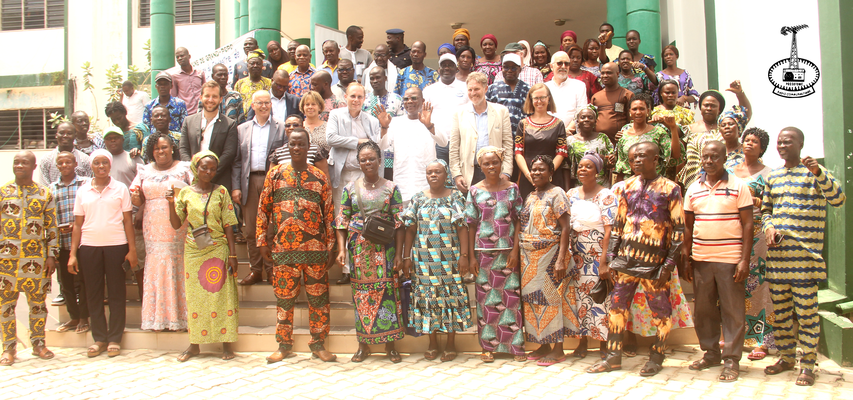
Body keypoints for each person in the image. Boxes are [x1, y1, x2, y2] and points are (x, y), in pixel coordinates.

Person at [587, 141, 684, 377]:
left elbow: (679, 232)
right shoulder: (625, 187)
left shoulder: (670, 189)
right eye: (634, 157)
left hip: (655, 263)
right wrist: (610, 259)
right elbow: (619, 226)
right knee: (617, 309)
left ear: (656, 160)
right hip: (626, 261)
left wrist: (668, 266)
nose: (637, 160)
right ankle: (613, 357)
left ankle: (657, 356)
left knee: (660, 311)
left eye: (643, 156)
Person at [762, 127, 845, 386]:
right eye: (779, 142)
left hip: (805, 261)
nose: (782, 145)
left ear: (800, 144)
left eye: (788, 142)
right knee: (782, 313)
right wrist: (769, 228)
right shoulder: (773, 177)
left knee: (807, 314)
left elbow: (838, 198)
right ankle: (786, 357)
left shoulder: (816, 175)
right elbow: (766, 211)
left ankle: (808, 364)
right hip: (778, 260)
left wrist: (819, 172)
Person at [257, 130, 338, 363]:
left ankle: (319, 344)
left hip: (315, 251)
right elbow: (263, 209)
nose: (296, 148)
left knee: (319, 300)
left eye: (301, 144)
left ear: (308, 146)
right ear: (288, 146)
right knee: (284, 299)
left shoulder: (319, 177)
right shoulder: (275, 175)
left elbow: (329, 213)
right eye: (293, 144)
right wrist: (262, 240)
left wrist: (331, 245)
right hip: (283, 250)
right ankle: (283, 345)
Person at [683, 141, 753, 382]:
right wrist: (688, 257)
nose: (709, 161)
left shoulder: (738, 186)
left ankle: (732, 360)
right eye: (705, 157)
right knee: (703, 310)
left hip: (729, 259)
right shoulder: (693, 189)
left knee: (732, 311)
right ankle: (711, 352)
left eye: (715, 157)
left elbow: (748, 224)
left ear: (724, 158)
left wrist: (744, 260)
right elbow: (688, 227)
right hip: (702, 258)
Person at [335, 141, 405, 363]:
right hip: (359, 251)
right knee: (361, 296)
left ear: (379, 160)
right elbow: (341, 221)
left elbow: (400, 223)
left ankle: (390, 346)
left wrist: (399, 254)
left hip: (385, 249)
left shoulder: (391, 188)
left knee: (388, 294)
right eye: (363, 159)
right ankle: (362, 345)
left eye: (372, 158)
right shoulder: (349, 188)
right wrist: (341, 250)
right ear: (358, 162)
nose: (367, 162)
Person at [168, 151, 239, 362]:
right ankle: (194, 345)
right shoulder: (185, 193)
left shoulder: (222, 192)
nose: (208, 172)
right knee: (196, 299)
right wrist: (168, 203)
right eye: (204, 168)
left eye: (212, 169)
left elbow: (228, 225)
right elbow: (175, 224)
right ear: (195, 168)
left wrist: (233, 255)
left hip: (218, 249)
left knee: (222, 297)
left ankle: (226, 343)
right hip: (194, 251)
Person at [400, 159, 472, 362]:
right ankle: (432, 342)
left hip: (449, 259)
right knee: (428, 298)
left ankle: (450, 343)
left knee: (450, 297)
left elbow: (462, 227)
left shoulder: (455, 196)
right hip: (423, 260)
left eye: (438, 172)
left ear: (446, 174)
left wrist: (464, 256)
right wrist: (407, 257)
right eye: (430, 172)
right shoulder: (418, 198)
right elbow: (410, 229)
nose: (433, 175)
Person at [69, 149, 137, 358]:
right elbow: (78, 225)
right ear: (91, 166)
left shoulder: (120, 188)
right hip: (89, 247)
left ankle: (115, 337)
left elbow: (127, 220)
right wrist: (72, 254)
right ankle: (99, 338)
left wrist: (132, 249)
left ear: (109, 165)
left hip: (117, 246)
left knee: (117, 292)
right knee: (93, 293)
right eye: (96, 163)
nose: (101, 167)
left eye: (104, 163)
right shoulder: (83, 191)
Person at [464, 146, 525, 362]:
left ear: (501, 163)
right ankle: (488, 347)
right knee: (486, 300)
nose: (491, 166)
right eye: (486, 163)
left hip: (508, 252)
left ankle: (515, 346)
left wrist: (516, 251)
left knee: (511, 300)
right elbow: (471, 224)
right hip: (483, 253)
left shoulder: (512, 188)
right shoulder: (474, 191)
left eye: (495, 162)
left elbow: (519, 221)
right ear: (480, 167)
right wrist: (471, 256)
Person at [0, 151, 58, 366]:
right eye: (16, 162)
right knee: (5, 306)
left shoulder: (44, 194)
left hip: (36, 260)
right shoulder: (3, 192)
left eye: (24, 162)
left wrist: (52, 255)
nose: (19, 165)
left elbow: (52, 227)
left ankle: (38, 344)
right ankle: (8, 348)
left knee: (38, 305)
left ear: (34, 167)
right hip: (7, 261)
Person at [131, 132, 192, 332]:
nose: (160, 151)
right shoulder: (143, 171)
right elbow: (138, 200)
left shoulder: (184, 168)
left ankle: (180, 318)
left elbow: (195, 193)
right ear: (151, 151)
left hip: (177, 225)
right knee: (156, 266)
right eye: (156, 148)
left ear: (172, 147)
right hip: (152, 226)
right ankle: (157, 319)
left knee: (177, 266)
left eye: (164, 147)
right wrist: (135, 197)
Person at [326, 83, 385, 284]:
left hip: (364, 176)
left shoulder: (371, 120)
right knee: (342, 218)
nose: (356, 100)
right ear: (345, 97)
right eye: (352, 96)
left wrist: (364, 142)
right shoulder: (336, 115)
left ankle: (366, 264)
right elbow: (331, 139)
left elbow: (376, 145)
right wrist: (360, 142)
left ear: (364, 98)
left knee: (365, 218)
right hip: (342, 175)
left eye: (360, 97)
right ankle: (346, 269)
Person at [518, 155, 572, 366]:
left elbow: (566, 227)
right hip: (529, 258)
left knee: (551, 300)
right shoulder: (531, 196)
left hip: (550, 255)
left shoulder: (557, 194)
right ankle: (543, 344)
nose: (537, 173)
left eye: (542, 169)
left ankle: (558, 349)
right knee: (533, 301)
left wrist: (561, 259)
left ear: (551, 172)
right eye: (534, 169)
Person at [729, 127, 776, 361]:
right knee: (732, 283)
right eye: (746, 140)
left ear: (762, 148)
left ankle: (761, 340)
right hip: (731, 231)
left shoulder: (769, 174)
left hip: (757, 233)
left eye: (755, 141)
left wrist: (758, 201)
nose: (749, 144)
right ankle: (733, 335)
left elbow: (773, 204)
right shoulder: (729, 169)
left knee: (757, 283)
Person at [565, 152, 616, 360]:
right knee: (578, 298)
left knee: (600, 297)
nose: (583, 170)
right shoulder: (571, 194)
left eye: (588, 167)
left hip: (596, 253)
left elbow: (609, 230)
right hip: (576, 254)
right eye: (580, 166)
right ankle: (582, 342)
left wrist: (604, 262)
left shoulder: (606, 195)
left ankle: (604, 343)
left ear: (597, 171)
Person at [233, 91, 287, 285]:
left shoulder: (281, 127)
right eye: (260, 103)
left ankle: (272, 270)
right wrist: (236, 187)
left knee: (271, 229)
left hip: (271, 181)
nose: (264, 106)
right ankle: (256, 271)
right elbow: (237, 161)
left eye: (267, 103)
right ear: (253, 105)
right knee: (250, 231)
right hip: (249, 182)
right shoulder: (242, 129)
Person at [377, 87, 447, 202]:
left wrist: (429, 125)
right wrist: (384, 127)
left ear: (423, 101)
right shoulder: (395, 122)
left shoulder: (431, 120)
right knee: (404, 218)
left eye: (414, 98)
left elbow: (443, 143)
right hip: (402, 183)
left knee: (425, 219)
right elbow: (382, 146)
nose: (409, 101)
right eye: (406, 99)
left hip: (426, 184)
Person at [678, 82, 752, 189]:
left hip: (721, 177)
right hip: (694, 177)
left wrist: (740, 94)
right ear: (700, 108)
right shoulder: (690, 128)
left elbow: (745, 115)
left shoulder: (726, 127)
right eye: (706, 105)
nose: (709, 108)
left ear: (719, 109)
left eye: (713, 106)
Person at [449, 72, 513, 194]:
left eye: (477, 89)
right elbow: (454, 147)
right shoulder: (459, 113)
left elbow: (508, 145)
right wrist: (457, 175)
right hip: (469, 173)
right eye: (470, 90)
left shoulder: (501, 111)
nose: (473, 93)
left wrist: (506, 172)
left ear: (485, 89)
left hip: (495, 173)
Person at [102, 127, 145, 299]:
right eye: (109, 139)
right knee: (114, 260)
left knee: (140, 259)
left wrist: (142, 209)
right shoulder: (102, 160)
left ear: (123, 139)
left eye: (116, 138)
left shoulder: (133, 158)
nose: (112, 141)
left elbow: (145, 183)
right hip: (111, 218)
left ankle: (144, 301)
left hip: (133, 216)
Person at [50, 151, 91, 334]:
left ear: (75, 163)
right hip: (61, 243)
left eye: (68, 162)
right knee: (65, 283)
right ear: (57, 165)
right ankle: (73, 317)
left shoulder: (85, 184)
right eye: (61, 162)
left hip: (83, 241)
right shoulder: (52, 188)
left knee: (83, 281)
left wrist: (76, 225)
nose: (65, 165)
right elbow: (49, 216)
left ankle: (84, 317)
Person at [180, 80, 239, 191]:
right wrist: (193, 172)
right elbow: (183, 149)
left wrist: (209, 173)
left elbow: (229, 153)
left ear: (221, 99)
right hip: (192, 181)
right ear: (201, 97)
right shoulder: (189, 121)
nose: (210, 100)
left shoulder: (229, 124)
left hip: (219, 181)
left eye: (214, 96)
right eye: (207, 96)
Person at [514, 83, 567, 198]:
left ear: (549, 99)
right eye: (536, 98)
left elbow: (561, 153)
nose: (540, 101)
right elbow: (518, 153)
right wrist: (529, 175)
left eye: (543, 97)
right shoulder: (523, 124)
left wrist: (547, 173)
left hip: (552, 177)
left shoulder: (559, 124)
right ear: (531, 100)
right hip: (528, 177)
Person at [613, 94, 681, 182]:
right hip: (630, 186)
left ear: (648, 111)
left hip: (655, 184)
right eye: (634, 109)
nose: (638, 112)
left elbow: (675, 155)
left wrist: (673, 128)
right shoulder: (624, 135)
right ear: (629, 111)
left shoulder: (659, 132)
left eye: (642, 109)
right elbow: (621, 167)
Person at [424, 54, 469, 163]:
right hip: (437, 142)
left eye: (450, 65)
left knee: (460, 176)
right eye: (443, 65)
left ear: (456, 68)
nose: (447, 68)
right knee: (441, 176)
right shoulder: (429, 90)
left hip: (461, 141)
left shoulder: (466, 87)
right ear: (439, 69)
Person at [566, 107, 615, 188]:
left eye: (590, 117)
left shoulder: (603, 138)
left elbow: (611, 162)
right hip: (580, 186)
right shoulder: (570, 141)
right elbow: (566, 167)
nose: (586, 119)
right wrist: (567, 189)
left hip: (602, 185)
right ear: (577, 122)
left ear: (595, 121)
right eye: (583, 117)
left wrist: (610, 159)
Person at [487, 53, 531, 136]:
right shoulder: (492, 89)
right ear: (502, 68)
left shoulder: (527, 89)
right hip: (497, 137)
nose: (509, 71)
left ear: (520, 70)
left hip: (521, 137)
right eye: (506, 67)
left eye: (513, 68)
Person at [591, 63, 633, 143]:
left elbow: (632, 121)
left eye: (609, 73)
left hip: (621, 142)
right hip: (600, 144)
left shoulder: (627, 95)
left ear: (617, 74)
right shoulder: (596, 97)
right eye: (602, 73)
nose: (605, 75)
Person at [546, 51, 588, 128]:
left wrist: (567, 131)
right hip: (548, 134)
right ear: (551, 66)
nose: (563, 66)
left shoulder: (579, 86)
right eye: (559, 63)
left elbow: (581, 112)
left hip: (571, 135)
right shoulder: (544, 87)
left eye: (567, 64)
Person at [233, 51, 273, 115]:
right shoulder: (239, 84)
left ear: (262, 66)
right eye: (252, 63)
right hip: (243, 121)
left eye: (258, 63)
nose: (255, 66)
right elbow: (235, 104)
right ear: (247, 66)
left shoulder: (269, 83)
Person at [169, 47, 205, 115]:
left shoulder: (200, 73)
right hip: (185, 113)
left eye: (182, 56)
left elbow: (205, 91)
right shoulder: (175, 76)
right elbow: (173, 97)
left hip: (201, 111)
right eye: (177, 57)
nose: (180, 58)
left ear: (189, 56)